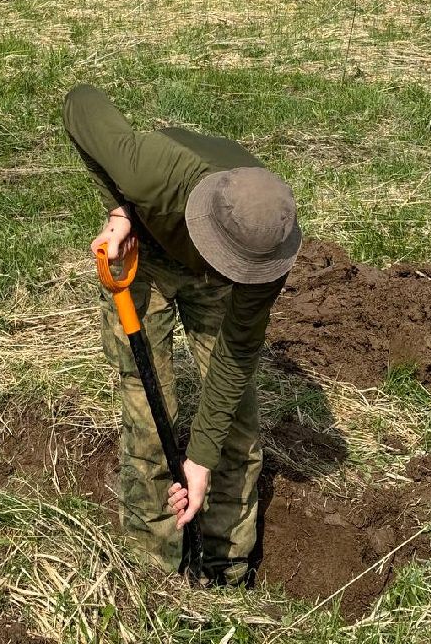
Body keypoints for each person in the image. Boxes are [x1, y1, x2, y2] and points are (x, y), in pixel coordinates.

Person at [63, 83, 302, 585]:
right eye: (229, 263)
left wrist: (200, 460)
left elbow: (235, 357)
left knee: (234, 425)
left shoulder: (266, 248)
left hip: (218, 266)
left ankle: (227, 567)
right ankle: (154, 570)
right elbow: (81, 102)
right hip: (147, 253)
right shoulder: (149, 173)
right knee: (151, 418)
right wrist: (120, 209)